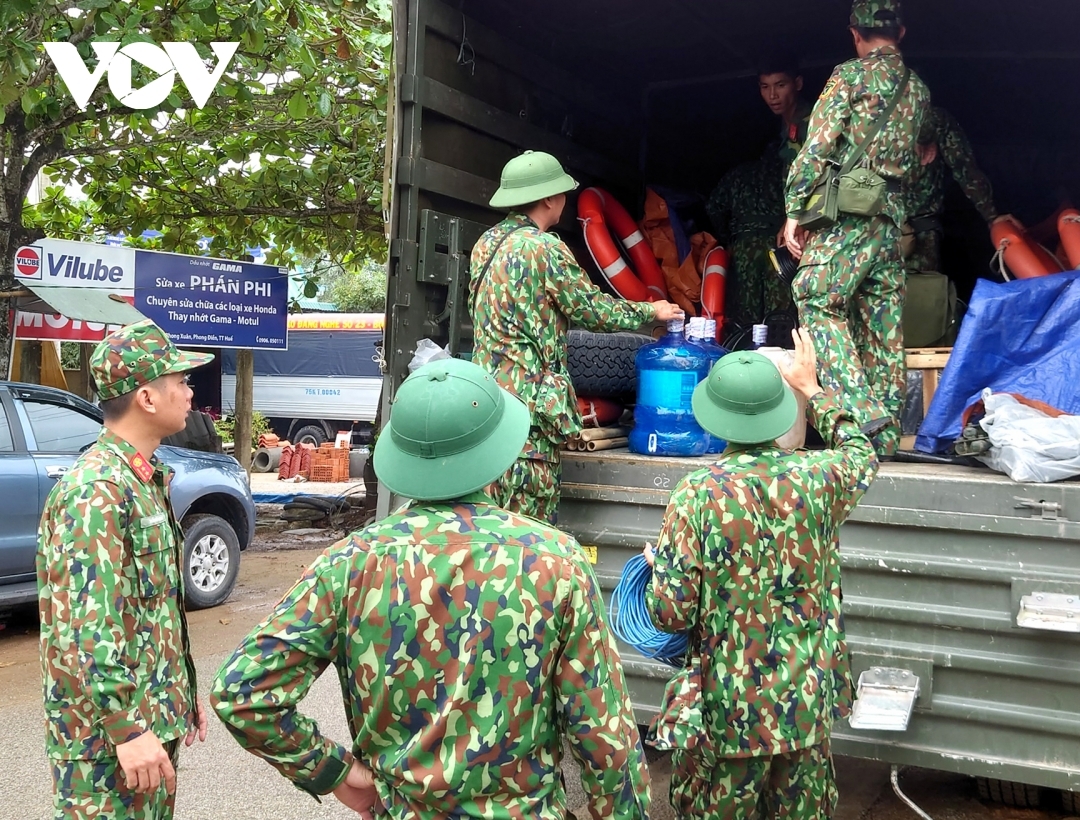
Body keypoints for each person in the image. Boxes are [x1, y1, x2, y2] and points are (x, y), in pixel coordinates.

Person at [211, 357, 651, 819]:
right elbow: (607, 743)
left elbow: (243, 693)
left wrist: (338, 774)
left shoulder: (348, 564)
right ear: (499, 453)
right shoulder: (556, 562)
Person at [645, 329, 878, 819]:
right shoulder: (818, 479)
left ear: (711, 413)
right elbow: (862, 454)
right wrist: (812, 388)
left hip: (727, 716)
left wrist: (658, 569)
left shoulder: (697, 495)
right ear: (781, 412)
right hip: (804, 711)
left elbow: (670, 613)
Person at [37, 320, 212, 819]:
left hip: (147, 724)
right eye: (180, 381)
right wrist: (126, 728)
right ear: (147, 398)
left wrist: (180, 692)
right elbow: (86, 627)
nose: (189, 391)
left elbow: (150, 609)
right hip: (107, 745)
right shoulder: (97, 490)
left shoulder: (139, 479)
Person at [471, 149, 684, 523]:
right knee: (530, 535)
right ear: (550, 199)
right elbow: (593, 311)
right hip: (529, 415)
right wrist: (652, 310)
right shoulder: (545, 248)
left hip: (486, 406)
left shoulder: (485, 245)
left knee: (492, 524)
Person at [782, 0, 930, 456]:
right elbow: (913, 164)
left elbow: (817, 146)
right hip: (889, 219)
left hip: (849, 212)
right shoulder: (919, 90)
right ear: (900, 33)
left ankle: (857, 415)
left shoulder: (850, 76)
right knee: (880, 321)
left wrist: (794, 207)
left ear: (854, 33)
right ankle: (883, 441)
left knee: (815, 297)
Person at [708, 59, 813, 333]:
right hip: (779, 241)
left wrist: (728, 240)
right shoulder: (788, 126)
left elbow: (714, 208)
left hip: (784, 236)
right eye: (765, 87)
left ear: (797, 84)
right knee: (779, 316)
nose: (773, 95)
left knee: (747, 318)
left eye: (780, 85)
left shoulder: (809, 123)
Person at [907, 106, 1008, 273]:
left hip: (871, 232)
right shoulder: (934, 120)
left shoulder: (864, 117)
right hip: (919, 235)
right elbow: (964, 169)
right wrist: (992, 215)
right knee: (921, 293)